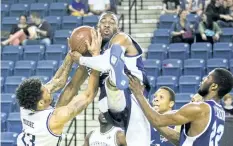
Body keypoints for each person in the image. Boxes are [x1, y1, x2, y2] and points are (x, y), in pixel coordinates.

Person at [69, 11, 151, 146]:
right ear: (97, 27)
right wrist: (80, 52)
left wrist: (81, 59)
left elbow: (105, 62)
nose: (107, 25)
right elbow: (91, 85)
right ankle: (113, 81)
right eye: (103, 22)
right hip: (109, 102)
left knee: (138, 142)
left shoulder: (122, 38)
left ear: (117, 28)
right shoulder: (94, 51)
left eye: (112, 22)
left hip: (133, 92)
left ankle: (115, 78)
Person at [16, 32, 101, 146]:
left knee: (69, 89)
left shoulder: (26, 105)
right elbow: (88, 95)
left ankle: (83, 67)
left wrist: (70, 54)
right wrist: (95, 57)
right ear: (41, 103)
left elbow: (58, 81)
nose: (48, 88)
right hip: (46, 129)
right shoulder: (55, 120)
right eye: (45, 90)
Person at [129, 68, 233, 146]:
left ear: (214, 86)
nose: (203, 79)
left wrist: (138, 93)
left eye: (207, 77)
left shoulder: (200, 108)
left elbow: (157, 120)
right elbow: (182, 140)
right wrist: (154, 121)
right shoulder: (220, 112)